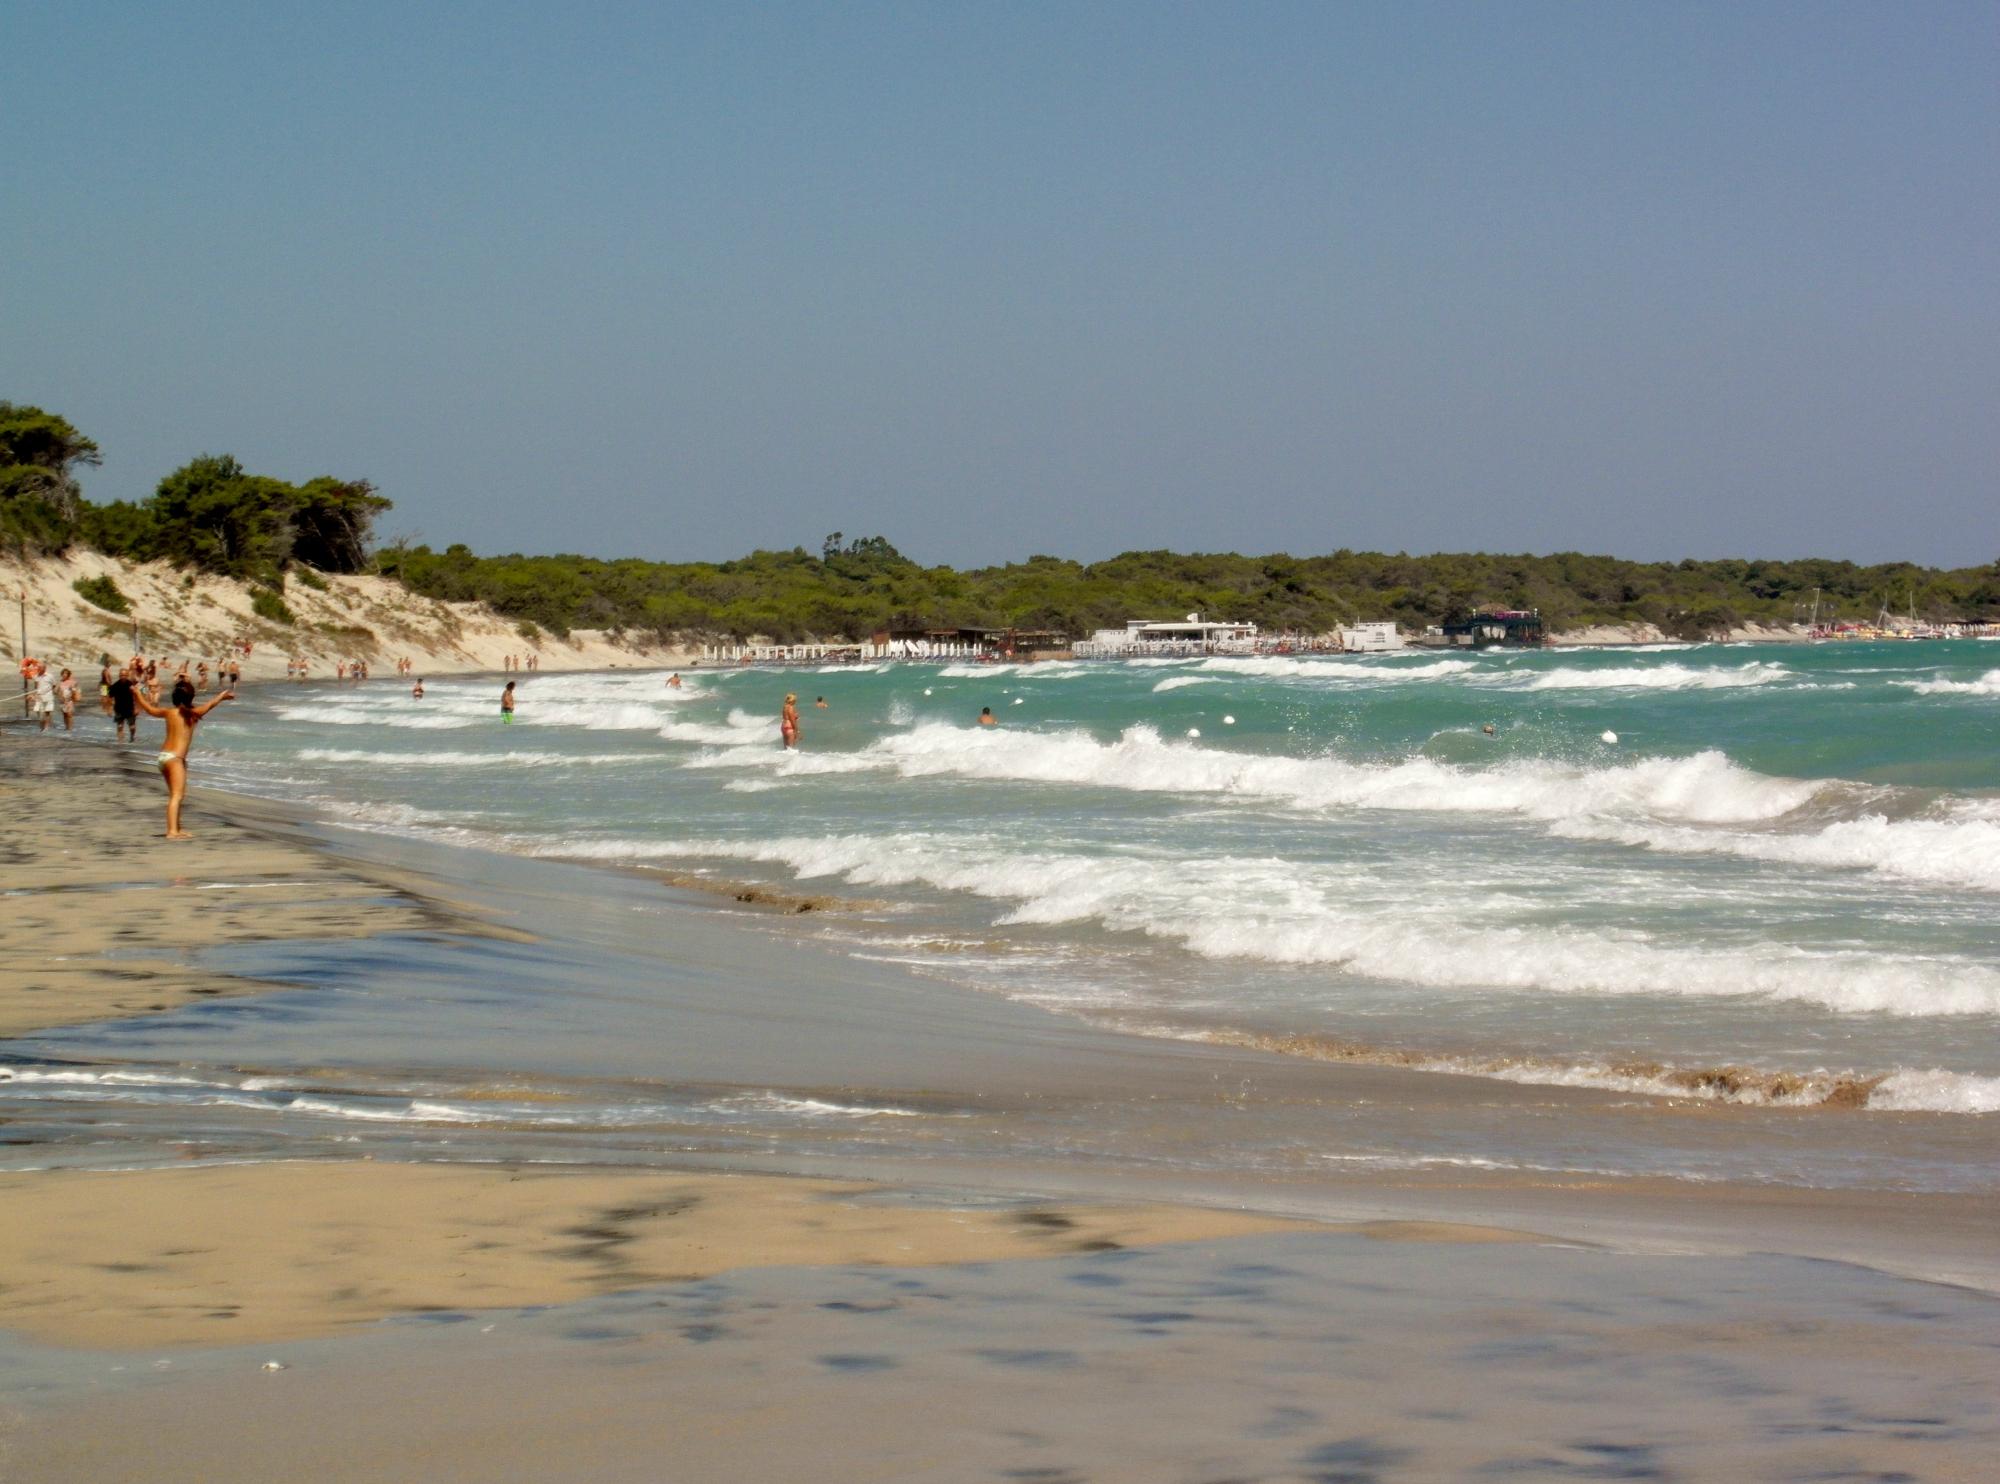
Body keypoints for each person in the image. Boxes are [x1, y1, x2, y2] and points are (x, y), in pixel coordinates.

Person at [131, 677, 234, 838]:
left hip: (163, 757)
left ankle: (177, 828)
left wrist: (137, 693)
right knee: (177, 796)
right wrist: (221, 696)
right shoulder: (192, 714)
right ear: (191, 698)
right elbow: (209, 705)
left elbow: (149, 709)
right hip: (175, 759)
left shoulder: (169, 712)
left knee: (176, 794)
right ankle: (172, 831)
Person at [108, 666, 139, 742]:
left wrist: (137, 708)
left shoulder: (130, 685)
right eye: (122, 675)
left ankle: (132, 737)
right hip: (119, 708)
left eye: (125, 675)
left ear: (127, 675)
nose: (123, 677)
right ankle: (120, 742)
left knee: (132, 727)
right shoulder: (115, 686)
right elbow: (110, 697)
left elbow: (137, 697)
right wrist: (110, 708)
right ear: (119, 676)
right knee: (120, 725)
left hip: (130, 708)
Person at [31, 664, 56, 732]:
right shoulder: (36, 676)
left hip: (48, 696)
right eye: (38, 668)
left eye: (40, 668)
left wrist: (50, 692)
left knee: (47, 712)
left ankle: (46, 727)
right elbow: (36, 687)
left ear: (44, 668)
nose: (39, 669)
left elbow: (54, 685)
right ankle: (42, 726)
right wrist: (34, 695)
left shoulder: (50, 676)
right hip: (39, 696)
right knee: (38, 711)